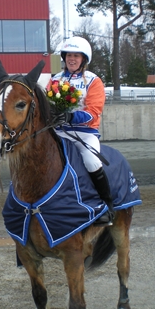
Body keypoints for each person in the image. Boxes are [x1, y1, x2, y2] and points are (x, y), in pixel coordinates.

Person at [48, 36, 112, 226]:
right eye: (68, 55)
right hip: (59, 130)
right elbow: (47, 105)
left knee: (92, 161)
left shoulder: (94, 81)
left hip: (85, 133)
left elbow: (94, 111)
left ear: (84, 59)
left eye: (76, 55)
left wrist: (71, 117)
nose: (71, 59)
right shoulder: (55, 79)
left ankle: (106, 206)